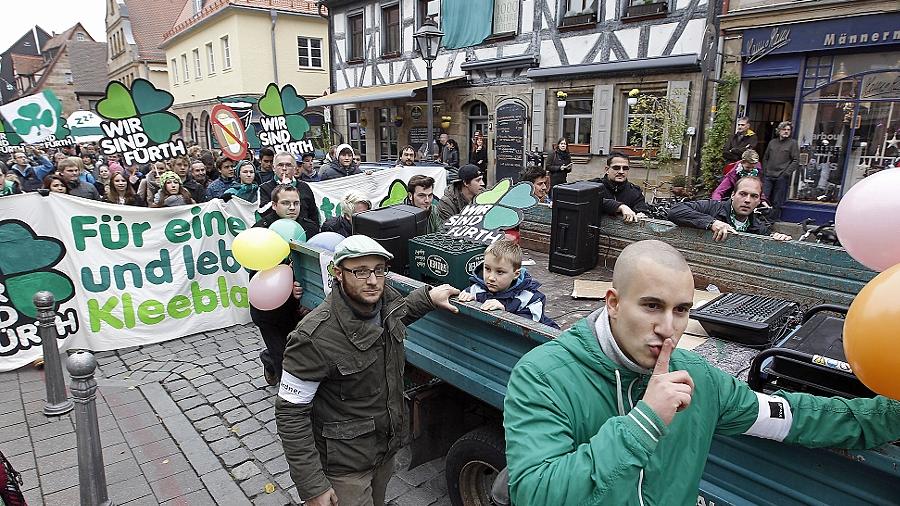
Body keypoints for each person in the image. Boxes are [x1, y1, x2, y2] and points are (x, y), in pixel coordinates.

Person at [503, 239, 900, 506]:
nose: (668, 327)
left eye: (681, 310)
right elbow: (533, 493)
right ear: (613, 302)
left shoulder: (699, 377)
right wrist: (643, 424)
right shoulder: (543, 375)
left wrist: (890, 415)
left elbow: (788, 416)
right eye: (652, 306)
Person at [275, 235, 460, 506]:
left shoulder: (386, 305)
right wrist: (313, 486)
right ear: (338, 273)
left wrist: (429, 297)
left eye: (379, 270)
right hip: (345, 468)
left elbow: (399, 314)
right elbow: (290, 413)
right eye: (360, 271)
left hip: (383, 452)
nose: (373, 280)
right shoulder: (313, 337)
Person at [250, 183, 307, 386]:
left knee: (296, 351)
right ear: (274, 205)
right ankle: (290, 406)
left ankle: (269, 359)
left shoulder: (307, 228)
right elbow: (254, 271)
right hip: (269, 311)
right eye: (285, 203)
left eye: (296, 203)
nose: (292, 208)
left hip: (297, 307)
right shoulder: (261, 231)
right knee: (285, 360)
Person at [458, 239, 558, 328]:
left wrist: (504, 313)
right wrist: (465, 297)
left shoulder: (531, 299)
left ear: (516, 274)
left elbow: (530, 328)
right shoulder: (476, 288)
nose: (491, 278)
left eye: (500, 272)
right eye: (487, 269)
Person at [668, 176, 791, 242]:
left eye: (754, 196)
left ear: (759, 201)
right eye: (743, 194)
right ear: (733, 195)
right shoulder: (713, 207)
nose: (747, 200)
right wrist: (712, 223)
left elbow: (768, 238)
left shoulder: (758, 226)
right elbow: (676, 210)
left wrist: (777, 237)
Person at [258, 151, 320, 240]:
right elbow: (263, 212)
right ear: (274, 168)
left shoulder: (304, 187)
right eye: (280, 165)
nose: (284, 168)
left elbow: (313, 214)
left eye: (288, 165)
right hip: (276, 236)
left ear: (294, 168)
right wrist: (281, 189)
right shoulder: (265, 187)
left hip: (303, 234)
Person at [590, 152, 649, 223]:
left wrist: (641, 214)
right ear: (607, 170)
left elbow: (642, 208)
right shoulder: (593, 186)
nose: (621, 172)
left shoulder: (635, 192)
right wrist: (620, 207)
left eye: (625, 168)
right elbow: (590, 200)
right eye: (616, 168)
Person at [762, 121, 799, 221]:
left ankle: (772, 220)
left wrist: (786, 173)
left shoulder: (793, 143)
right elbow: (765, 157)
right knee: (764, 197)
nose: (786, 132)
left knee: (777, 200)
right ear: (779, 131)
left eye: (788, 130)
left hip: (781, 175)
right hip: (768, 175)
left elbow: (795, 160)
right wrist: (765, 170)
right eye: (784, 129)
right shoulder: (772, 142)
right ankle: (762, 217)